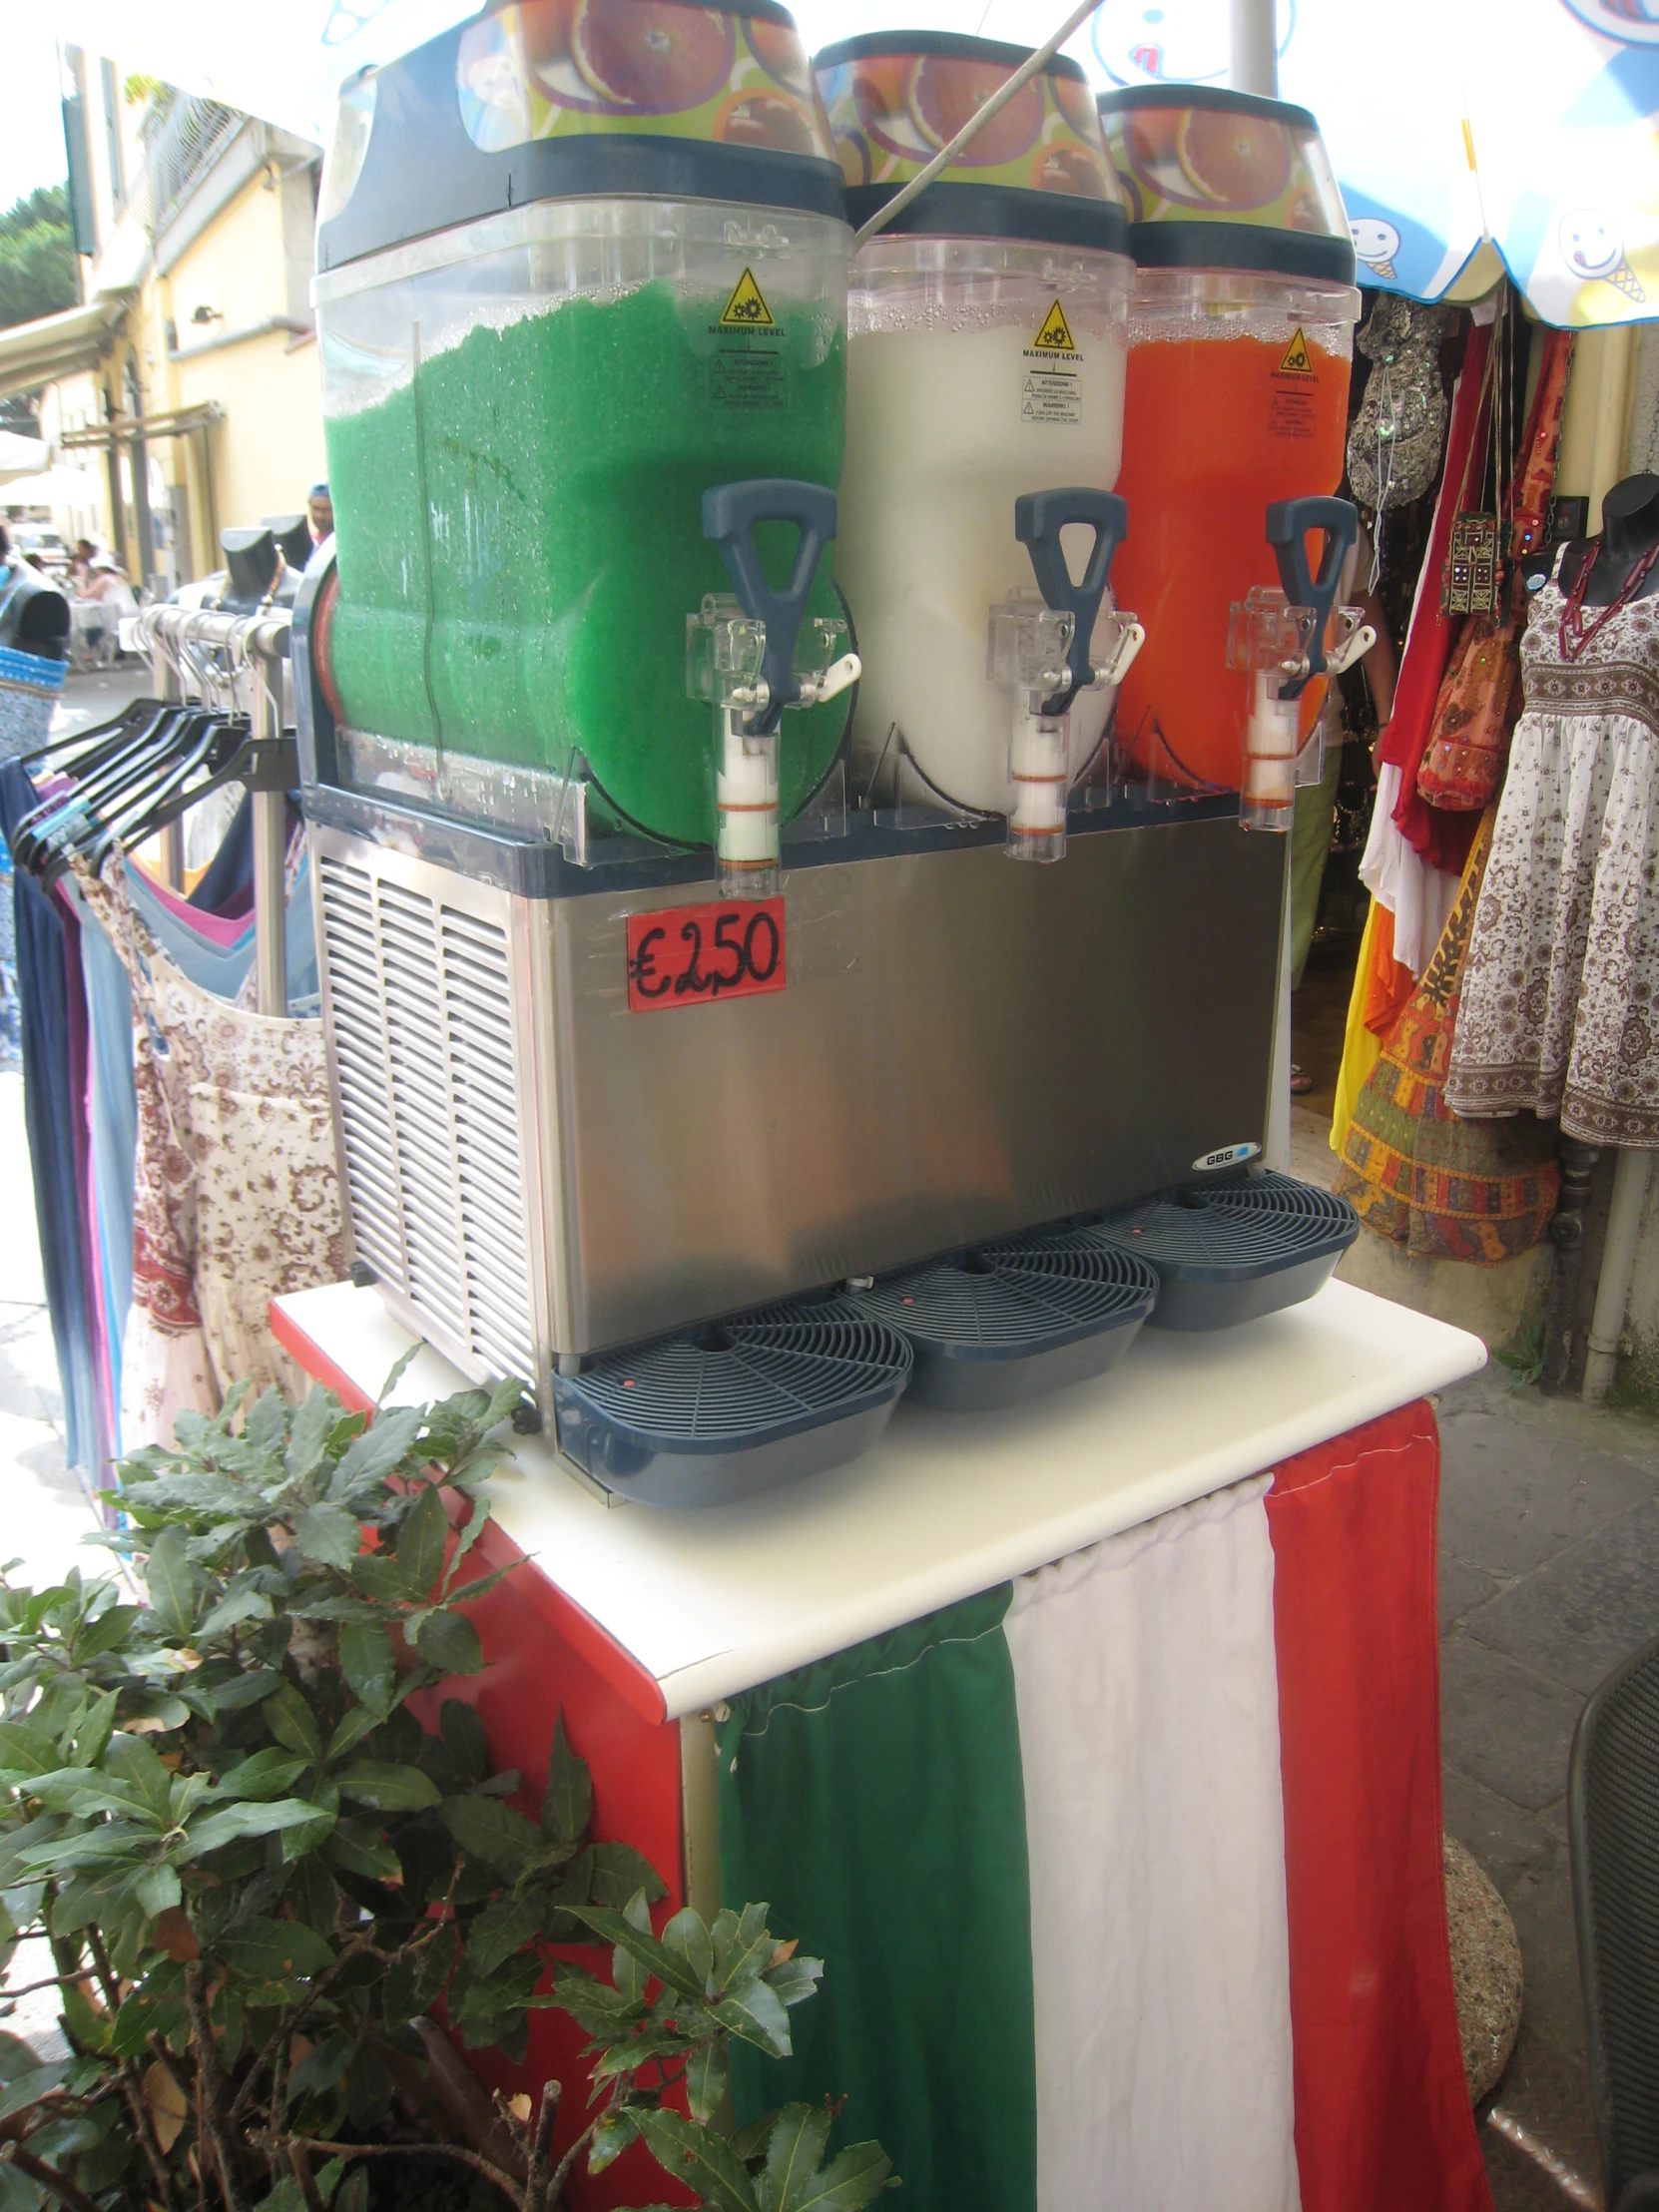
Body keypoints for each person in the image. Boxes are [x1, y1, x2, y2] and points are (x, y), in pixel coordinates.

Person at [1288, 522, 1395, 1094]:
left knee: (1297, 892)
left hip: (1313, 731)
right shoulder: (1229, 484)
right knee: (1231, 878)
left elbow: (1366, 611)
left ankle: (1272, 1037)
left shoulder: (1344, 526)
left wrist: (1388, 719)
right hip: (1221, 736)